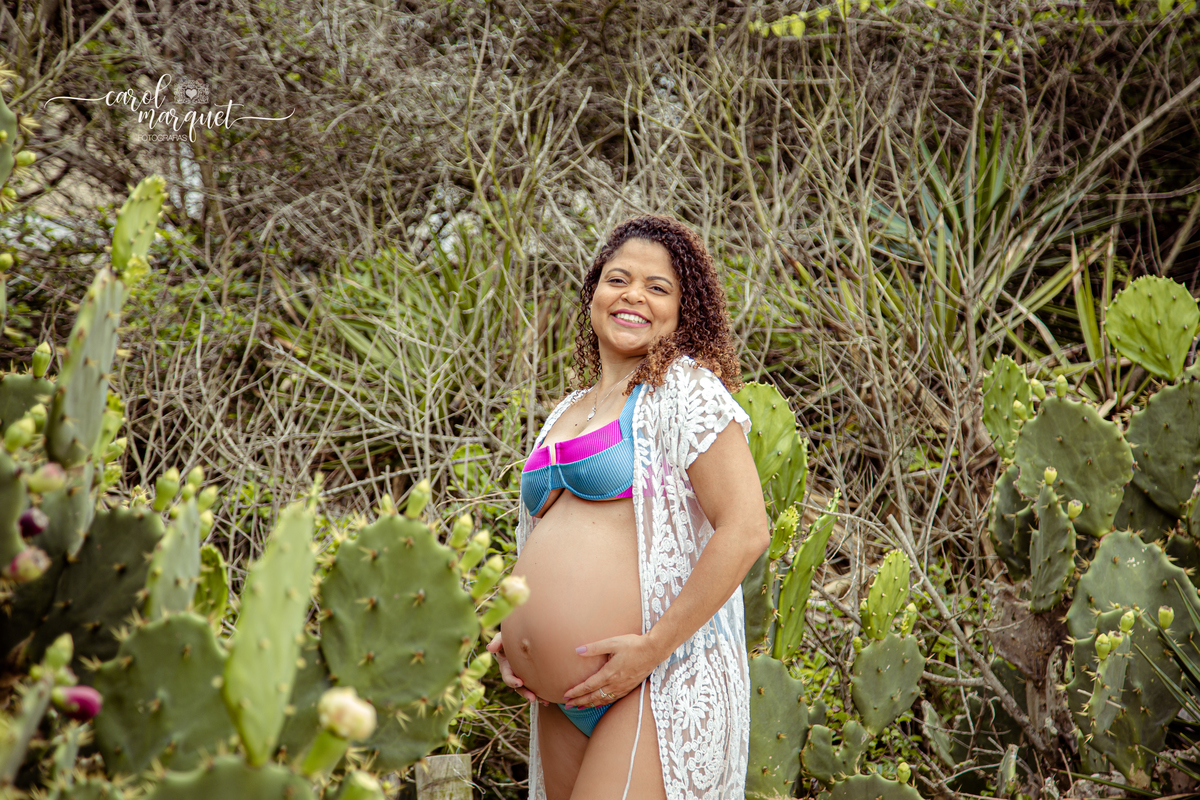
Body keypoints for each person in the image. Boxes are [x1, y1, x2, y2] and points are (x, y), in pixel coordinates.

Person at [486, 214, 770, 800]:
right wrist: (513, 634)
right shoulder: (565, 409)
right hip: (559, 698)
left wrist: (651, 650)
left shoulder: (686, 390)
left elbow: (746, 531)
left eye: (658, 287)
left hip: (655, 681)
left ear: (683, 311)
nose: (633, 295)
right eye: (618, 279)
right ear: (593, 293)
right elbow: (546, 540)